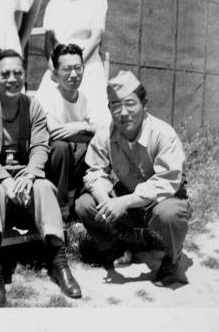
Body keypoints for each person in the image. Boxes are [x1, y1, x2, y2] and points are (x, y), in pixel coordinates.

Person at [0, 48, 81, 305]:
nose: (13, 79)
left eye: (18, 73)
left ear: (24, 74)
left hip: (23, 174)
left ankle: (59, 263)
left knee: (45, 188)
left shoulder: (33, 106)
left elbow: (41, 146)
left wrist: (29, 175)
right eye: (5, 74)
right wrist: (5, 179)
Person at [75, 70, 191, 286]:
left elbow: (168, 181)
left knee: (171, 215)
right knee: (85, 204)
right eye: (116, 105)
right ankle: (123, 244)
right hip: (127, 199)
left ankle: (172, 259)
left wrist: (124, 202)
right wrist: (106, 202)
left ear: (144, 104)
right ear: (109, 108)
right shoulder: (105, 134)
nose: (123, 112)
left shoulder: (163, 133)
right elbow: (94, 171)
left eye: (130, 103)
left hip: (162, 200)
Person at [37, 0, 111, 128]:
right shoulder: (55, 3)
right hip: (59, 65)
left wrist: (77, 66)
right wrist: (55, 67)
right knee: (44, 112)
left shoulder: (97, 1)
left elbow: (95, 38)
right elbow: (49, 41)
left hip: (88, 65)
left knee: (97, 119)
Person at [36, 43, 95, 215]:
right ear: (55, 73)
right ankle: (60, 210)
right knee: (61, 146)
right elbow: (55, 132)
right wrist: (85, 132)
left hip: (70, 163)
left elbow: (101, 131)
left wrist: (80, 126)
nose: (74, 74)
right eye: (67, 69)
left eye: (78, 68)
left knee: (98, 146)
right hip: (47, 164)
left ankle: (81, 205)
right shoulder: (47, 95)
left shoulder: (83, 98)